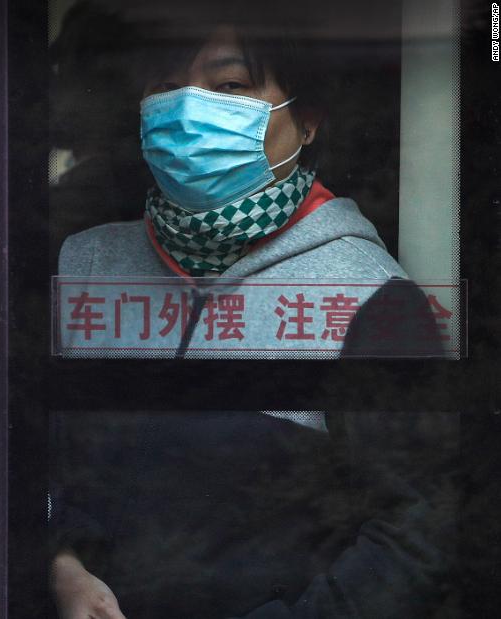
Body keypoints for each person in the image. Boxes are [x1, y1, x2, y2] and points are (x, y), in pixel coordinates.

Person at [50, 2, 456, 618]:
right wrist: (58, 564)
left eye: (230, 85)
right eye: (166, 86)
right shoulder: (83, 264)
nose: (188, 110)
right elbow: (20, 457)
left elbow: (419, 527)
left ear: (308, 119)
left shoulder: (371, 296)